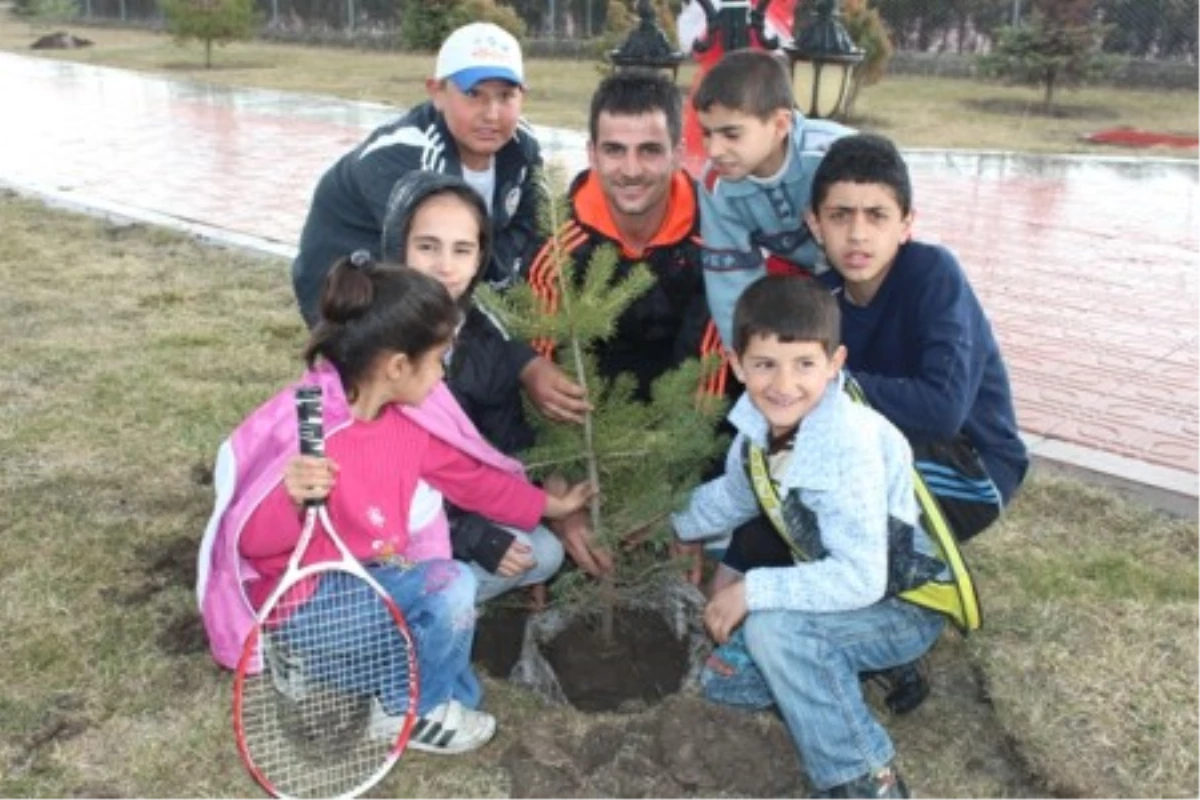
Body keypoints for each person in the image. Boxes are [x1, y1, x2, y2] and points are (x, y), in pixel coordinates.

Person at [197, 256, 592, 755]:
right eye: (438, 360)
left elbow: (472, 481)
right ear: (398, 367)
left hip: (375, 580)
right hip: (309, 603)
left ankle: (323, 667)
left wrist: (547, 508)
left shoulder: (410, 419)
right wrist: (288, 496)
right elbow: (252, 545)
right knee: (453, 588)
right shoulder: (314, 432)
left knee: (437, 608)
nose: (444, 375)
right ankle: (412, 712)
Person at [671, 276, 950, 799]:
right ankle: (844, 674)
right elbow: (735, 495)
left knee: (777, 633)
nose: (783, 384)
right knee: (727, 683)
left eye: (804, 364)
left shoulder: (843, 446)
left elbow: (861, 577)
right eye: (765, 364)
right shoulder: (759, 424)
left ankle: (863, 775)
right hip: (846, 594)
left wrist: (751, 592)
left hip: (899, 602)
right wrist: (668, 522)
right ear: (737, 363)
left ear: (835, 362)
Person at [525, 69, 723, 575]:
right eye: (614, 150)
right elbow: (544, 382)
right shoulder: (557, 243)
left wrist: (681, 497)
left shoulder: (716, 239)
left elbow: (708, 380)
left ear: (680, 152)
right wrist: (563, 499)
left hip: (676, 423)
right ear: (591, 153)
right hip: (593, 424)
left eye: (650, 150)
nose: (631, 170)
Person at [808, 133, 1029, 532]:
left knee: (836, 500)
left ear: (906, 223)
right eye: (840, 215)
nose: (857, 234)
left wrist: (823, 383)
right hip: (888, 443)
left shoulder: (933, 274)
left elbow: (941, 411)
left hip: (970, 464)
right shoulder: (822, 296)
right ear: (815, 223)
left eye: (877, 215)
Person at [379, 170, 570, 603]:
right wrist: (470, 536)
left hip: (461, 500)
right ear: (398, 246)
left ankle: (436, 593)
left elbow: (504, 441)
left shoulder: (481, 333)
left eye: (462, 250)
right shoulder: (373, 340)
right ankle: (401, 614)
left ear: (480, 257)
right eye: (427, 247)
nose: (445, 267)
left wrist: (539, 493)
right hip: (384, 521)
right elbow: (377, 477)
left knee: (543, 551)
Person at [291, 22, 541, 325]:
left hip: (441, 276)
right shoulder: (404, 158)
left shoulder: (522, 147)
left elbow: (528, 229)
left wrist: (503, 285)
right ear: (437, 92)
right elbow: (424, 269)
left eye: (505, 96)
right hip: (349, 289)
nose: (491, 114)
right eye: (473, 94)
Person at [692, 48, 851, 347]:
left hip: (857, 273)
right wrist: (747, 359)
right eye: (707, 133)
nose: (713, 151)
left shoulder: (832, 156)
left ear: (780, 125)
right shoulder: (717, 185)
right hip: (795, 282)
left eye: (731, 134)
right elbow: (730, 284)